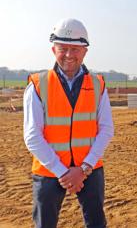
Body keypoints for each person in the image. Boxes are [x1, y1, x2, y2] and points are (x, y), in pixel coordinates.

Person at [23, 18, 114, 228]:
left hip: (89, 170)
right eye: (63, 48)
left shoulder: (98, 84)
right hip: (49, 170)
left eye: (75, 49)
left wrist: (83, 168)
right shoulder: (38, 85)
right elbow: (32, 136)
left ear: (85, 51)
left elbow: (106, 129)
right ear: (53, 49)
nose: (69, 55)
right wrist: (63, 172)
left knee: (97, 224)